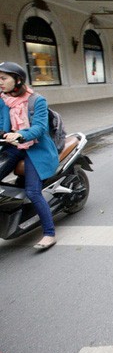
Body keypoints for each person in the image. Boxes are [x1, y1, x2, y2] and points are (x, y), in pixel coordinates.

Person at [0, 61, 59, 249]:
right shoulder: (3, 99)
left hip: (36, 149)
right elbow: (2, 125)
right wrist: (4, 134)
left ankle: (49, 233)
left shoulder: (36, 100)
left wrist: (20, 134)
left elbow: (40, 128)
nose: (0, 82)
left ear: (17, 80)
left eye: (3, 78)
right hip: (13, 146)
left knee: (33, 191)